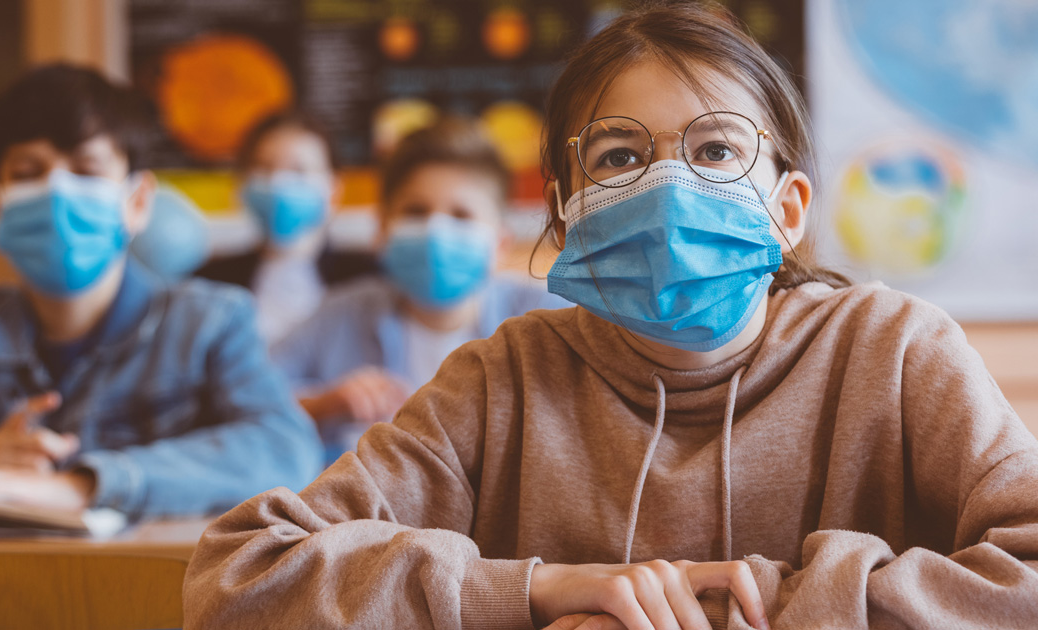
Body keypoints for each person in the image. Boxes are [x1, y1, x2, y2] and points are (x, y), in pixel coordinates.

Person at [183, 3, 1038, 629]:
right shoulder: (499, 382)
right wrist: (542, 588)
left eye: (714, 151)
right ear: (563, 213)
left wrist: (765, 603)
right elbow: (240, 576)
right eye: (621, 157)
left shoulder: (893, 350)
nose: (671, 187)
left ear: (789, 208)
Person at [0, 64, 323, 521]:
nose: (57, 192)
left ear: (136, 202)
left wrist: (81, 485)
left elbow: (285, 448)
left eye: (87, 171)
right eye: (29, 173)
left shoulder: (210, 324)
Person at [270, 117, 569, 464]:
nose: (436, 230)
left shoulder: (549, 318)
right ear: (381, 231)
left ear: (499, 243)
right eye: (416, 212)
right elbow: (247, 398)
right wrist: (325, 404)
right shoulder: (340, 313)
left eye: (462, 215)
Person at [195, 111, 378, 344]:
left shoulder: (369, 280)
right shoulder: (208, 284)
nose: (278, 182)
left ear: (334, 190)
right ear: (241, 184)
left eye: (299, 170)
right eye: (263, 167)